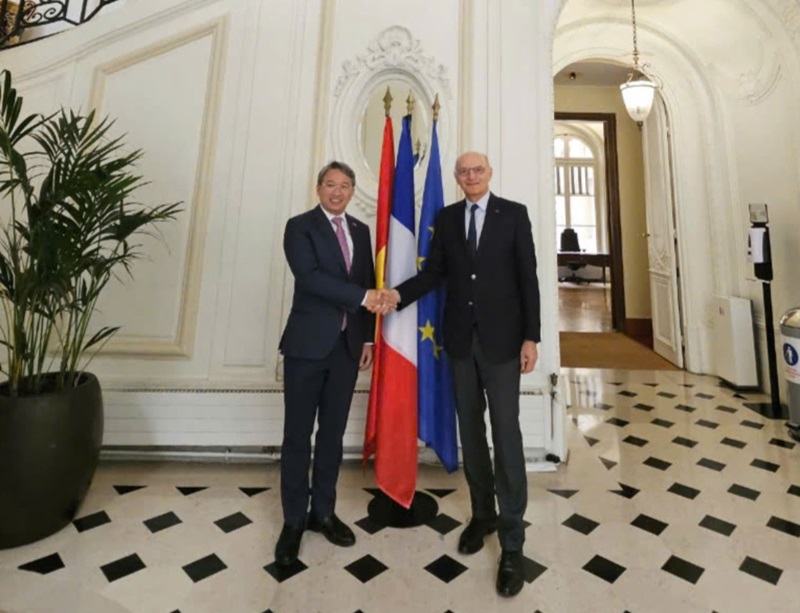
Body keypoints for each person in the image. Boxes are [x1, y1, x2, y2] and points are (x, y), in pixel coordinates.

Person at [383, 151, 540, 597]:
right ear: (456, 178)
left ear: (490, 174)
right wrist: (396, 295)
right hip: (458, 344)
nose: (471, 176)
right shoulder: (448, 218)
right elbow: (434, 273)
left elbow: (527, 277)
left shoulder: (514, 214)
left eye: (478, 170)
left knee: (505, 435)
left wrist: (532, 337)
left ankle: (512, 540)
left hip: (503, 344)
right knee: (470, 433)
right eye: (464, 171)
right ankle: (483, 515)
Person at [275, 161, 385, 567]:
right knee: (297, 436)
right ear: (318, 187)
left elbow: (367, 280)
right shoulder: (299, 227)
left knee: (332, 436)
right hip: (306, 348)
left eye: (345, 186)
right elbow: (310, 278)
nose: (337, 192)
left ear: (353, 191)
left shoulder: (360, 230)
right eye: (330, 184)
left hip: (347, 349)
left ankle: (324, 512)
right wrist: (364, 298)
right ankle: (293, 521)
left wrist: (368, 337)